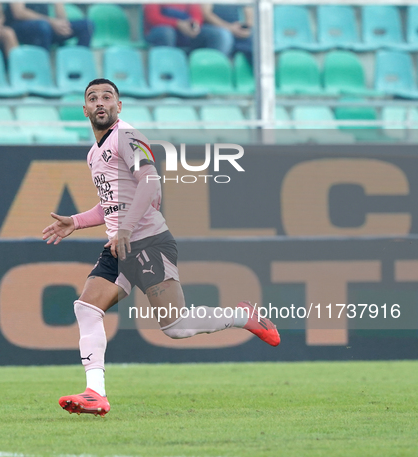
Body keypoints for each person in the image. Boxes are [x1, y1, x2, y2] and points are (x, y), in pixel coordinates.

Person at [42, 78, 280, 417]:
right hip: (119, 248)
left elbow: (150, 181)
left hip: (149, 242)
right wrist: (76, 222)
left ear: (119, 106)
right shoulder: (94, 153)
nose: (100, 102)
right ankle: (95, 392)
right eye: (92, 98)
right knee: (86, 307)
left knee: (176, 326)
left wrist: (124, 228)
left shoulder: (127, 136)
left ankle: (244, 317)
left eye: (107, 97)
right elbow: (110, 203)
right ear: (84, 110)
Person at [5, 3, 93, 51]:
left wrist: (62, 25)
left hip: (45, 26)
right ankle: (42, 70)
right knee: (43, 26)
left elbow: (61, 17)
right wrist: (52, 22)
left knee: (86, 25)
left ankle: (76, 67)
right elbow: (19, 13)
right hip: (19, 27)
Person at [143, 4, 227, 52]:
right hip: (159, 31)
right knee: (167, 33)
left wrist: (194, 26)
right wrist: (177, 24)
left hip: (185, 31)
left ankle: (209, 72)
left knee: (218, 35)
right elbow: (152, 17)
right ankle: (168, 72)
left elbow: (196, 15)